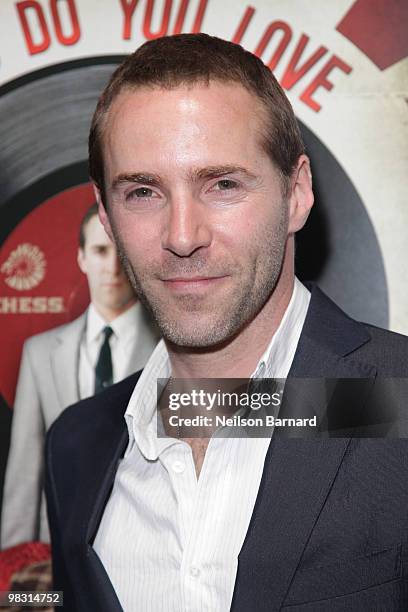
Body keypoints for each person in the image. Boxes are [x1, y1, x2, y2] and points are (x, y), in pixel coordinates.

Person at [45, 34, 408, 611]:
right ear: (107, 219)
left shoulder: (397, 398)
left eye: (222, 185)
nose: (182, 236)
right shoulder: (76, 448)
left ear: (297, 192)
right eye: (142, 192)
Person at [1, 204, 159, 549]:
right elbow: (25, 469)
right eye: (100, 251)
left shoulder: (172, 351)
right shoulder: (39, 353)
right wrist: (11, 576)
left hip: (144, 549)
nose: (112, 267)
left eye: (122, 252)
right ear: (82, 258)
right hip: (56, 548)